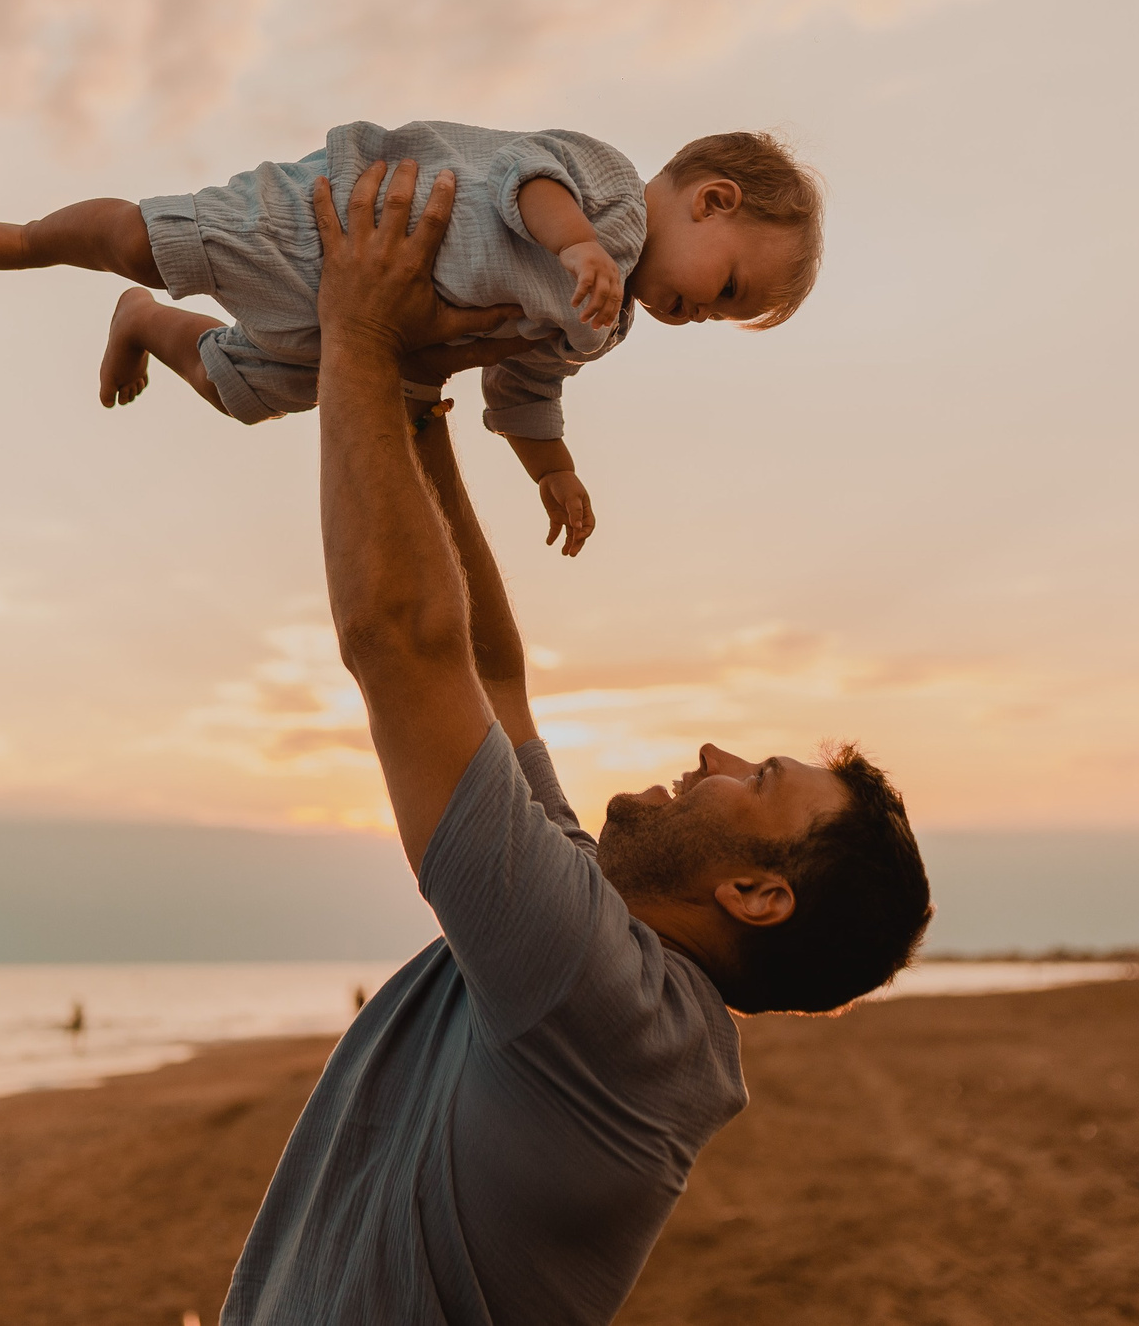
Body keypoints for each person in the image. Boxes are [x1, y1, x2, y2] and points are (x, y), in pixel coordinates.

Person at [217, 160, 931, 1325]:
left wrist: (358, 333)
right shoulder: (610, 957)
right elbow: (489, 675)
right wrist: (419, 407)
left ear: (756, 893)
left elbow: (403, 648)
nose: (712, 753)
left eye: (757, 778)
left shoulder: (598, 1001)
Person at [0, 121, 822, 556]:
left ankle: (140, 319)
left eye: (722, 319)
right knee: (149, 240)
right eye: (727, 288)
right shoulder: (613, 194)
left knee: (236, 392)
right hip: (327, 224)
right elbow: (525, 176)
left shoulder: (603, 322)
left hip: (377, 333)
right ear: (712, 200)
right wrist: (578, 243)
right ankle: (30, 240)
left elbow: (523, 388)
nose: (704, 315)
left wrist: (552, 469)